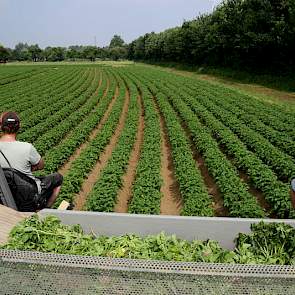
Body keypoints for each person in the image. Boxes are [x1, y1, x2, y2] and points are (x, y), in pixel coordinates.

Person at [0, 111, 63, 210]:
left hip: (3, 192)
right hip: (28, 193)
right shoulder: (27, 147)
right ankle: (45, 209)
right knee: (58, 178)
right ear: (18, 127)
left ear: (1, 127)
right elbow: (41, 165)